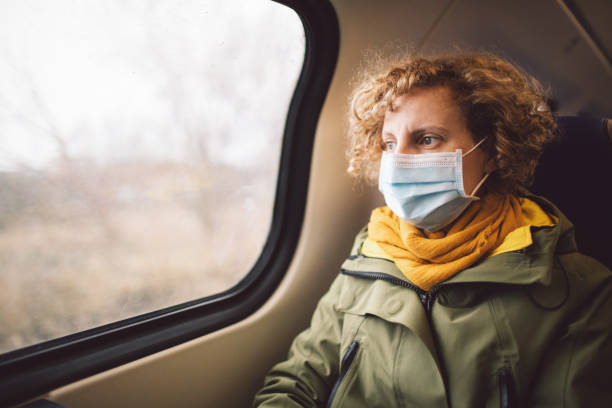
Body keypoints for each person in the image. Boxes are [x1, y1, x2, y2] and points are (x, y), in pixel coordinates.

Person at [253, 52, 612, 407]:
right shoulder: (369, 253)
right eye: (390, 144)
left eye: (426, 139)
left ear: (492, 151)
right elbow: (296, 383)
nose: (398, 161)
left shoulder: (579, 287)